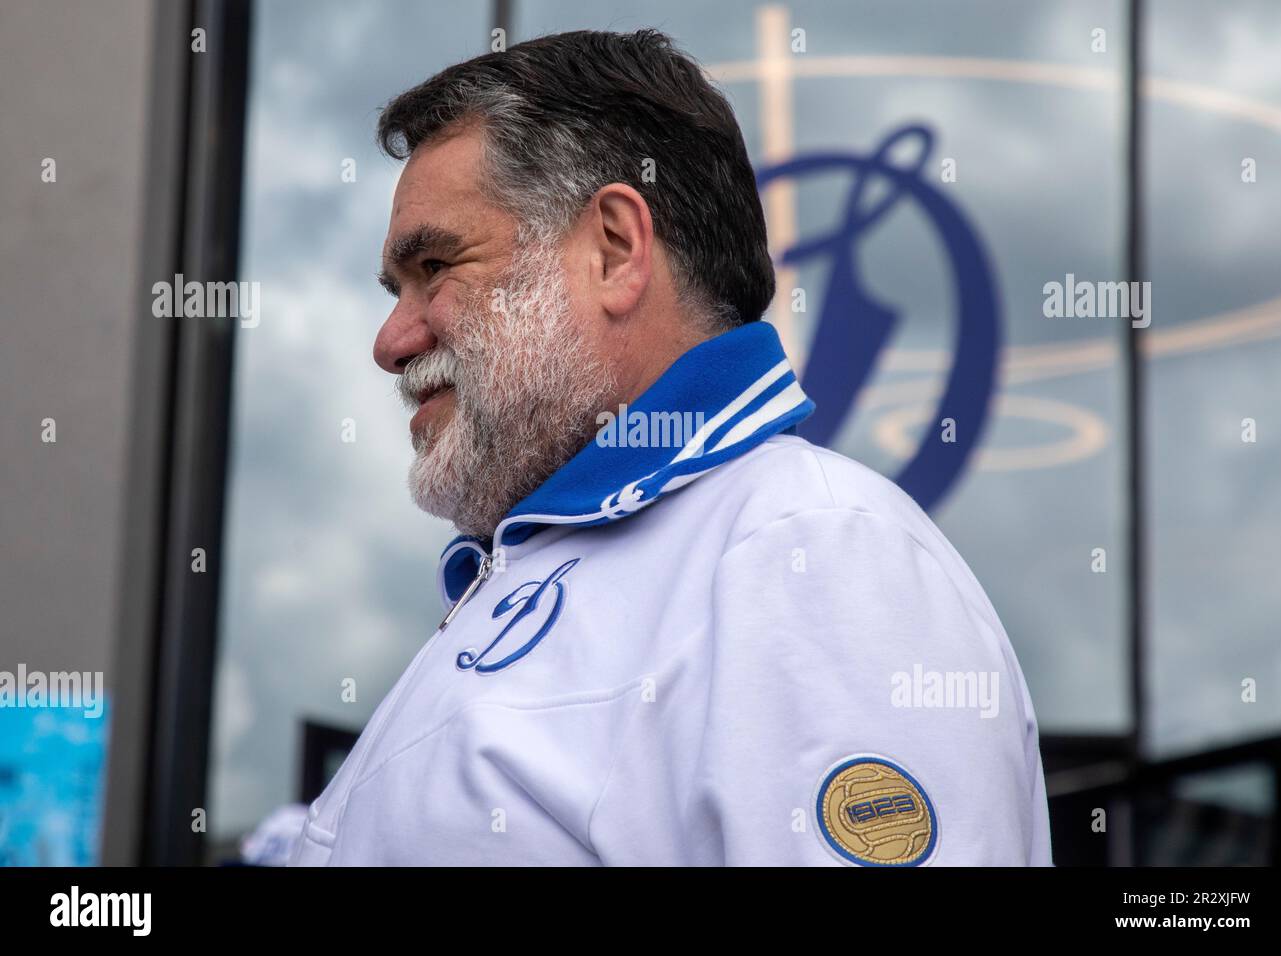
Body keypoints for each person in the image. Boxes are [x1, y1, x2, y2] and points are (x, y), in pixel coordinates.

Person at [289, 29, 1052, 866]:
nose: (391, 341)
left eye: (435, 265)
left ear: (615, 249)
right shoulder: (598, 562)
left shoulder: (811, 548)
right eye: (396, 290)